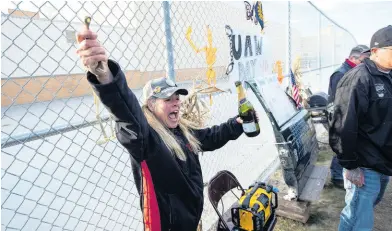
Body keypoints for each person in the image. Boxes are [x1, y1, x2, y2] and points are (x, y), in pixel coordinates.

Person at [76, 26, 249, 231]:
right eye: (168, 99)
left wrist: (236, 124)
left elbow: (210, 137)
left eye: (177, 98)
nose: (176, 103)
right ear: (150, 105)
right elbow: (128, 116)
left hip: (189, 221)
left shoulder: (181, 130)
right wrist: (106, 78)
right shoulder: (146, 140)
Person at [329, 25, 392, 231]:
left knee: (358, 212)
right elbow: (342, 125)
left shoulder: (388, 75)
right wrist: (350, 165)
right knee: (359, 219)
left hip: (383, 161)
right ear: (375, 51)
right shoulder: (358, 78)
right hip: (364, 165)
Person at [327, 44, 370, 188]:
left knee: (346, 144)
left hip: (346, 114)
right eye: (364, 60)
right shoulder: (341, 73)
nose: (367, 63)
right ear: (353, 58)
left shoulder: (354, 71)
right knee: (340, 144)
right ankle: (337, 176)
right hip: (340, 115)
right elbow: (338, 99)